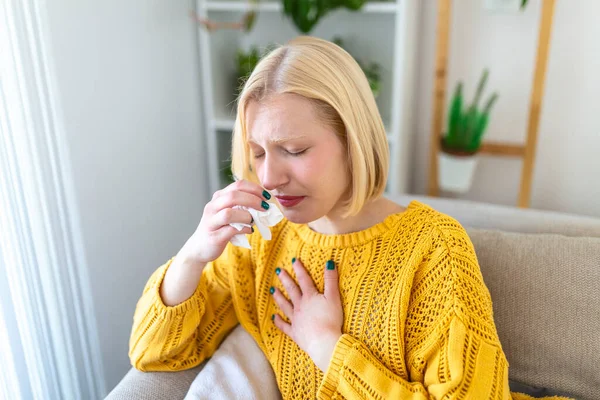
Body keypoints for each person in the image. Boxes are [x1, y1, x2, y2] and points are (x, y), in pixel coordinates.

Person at [129, 37, 569, 400]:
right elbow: (153, 355)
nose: (268, 176)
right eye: (257, 152)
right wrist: (192, 256)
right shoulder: (263, 241)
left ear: (351, 140)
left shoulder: (433, 247)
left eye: (295, 150)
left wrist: (326, 345)